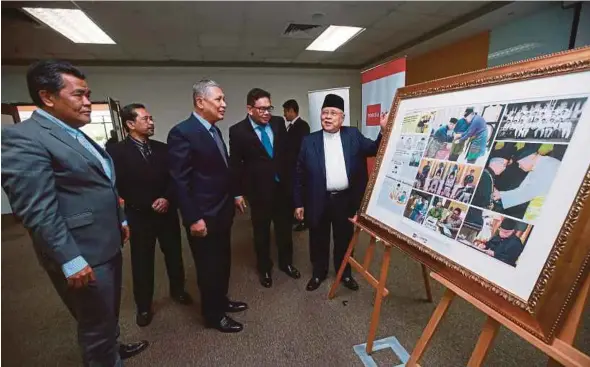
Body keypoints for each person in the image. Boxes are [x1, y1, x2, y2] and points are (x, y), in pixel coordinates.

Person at [1, 60, 147, 366]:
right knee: (96, 326)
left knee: (106, 315)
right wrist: (70, 258)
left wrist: (119, 218)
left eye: (88, 94)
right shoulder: (24, 138)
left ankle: (113, 345)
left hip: (103, 242)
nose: (87, 102)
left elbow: (99, 184)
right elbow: (37, 210)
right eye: (79, 94)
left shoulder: (73, 133)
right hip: (82, 254)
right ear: (47, 97)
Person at [167, 79, 247, 333]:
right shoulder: (182, 132)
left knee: (222, 263)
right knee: (208, 268)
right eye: (219, 100)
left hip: (221, 212)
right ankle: (213, 315)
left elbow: (219, 172)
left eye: (223, 99)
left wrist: (234, 195)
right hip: (203, 216)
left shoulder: (213, 130)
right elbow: (180, 181)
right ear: (200, 102)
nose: (224, 104)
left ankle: (221, 301)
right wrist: (193, 219)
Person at [107, 103, 193, 327]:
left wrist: (167, 198)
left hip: (167, 212)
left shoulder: (163, 148)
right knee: (142, 262)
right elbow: (117, 186)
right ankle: (144, 306)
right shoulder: (116, 152)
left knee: (174, 254)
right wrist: (146, 204)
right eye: (145, 119)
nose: (151, 122)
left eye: (151, 118)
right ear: (130, 124)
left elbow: (176, 178)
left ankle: (178, 290)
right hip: (140, 216)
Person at [294, 94, 387, 291]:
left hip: (345, 200)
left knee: (344, 239)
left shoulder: (352, 135)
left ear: (342, 118)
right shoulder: (309, 141)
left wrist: (383, 130)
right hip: (318, 199)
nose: (327, 117)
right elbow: (299, 174)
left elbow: (375, 148)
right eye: (324, 113)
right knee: (317, 238)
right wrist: (298, 203)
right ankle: (318, 273)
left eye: (333, 113)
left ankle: (344, 273)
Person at [229, 89, 300, 288]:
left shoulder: (278, 123)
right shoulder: (238, 131)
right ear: (249, 109)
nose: (266, 113)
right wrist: (237, 193)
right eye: (261, 109)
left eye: (269, 108)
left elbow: (284, 154)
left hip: (282, 188)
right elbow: (235, 164)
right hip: (258, 191)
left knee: (285, 229)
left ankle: (286, 263)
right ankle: (265, 268)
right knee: (261, 231)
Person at [283, 99, 310, 231]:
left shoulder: (302, 126)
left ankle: (304, 221)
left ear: (292, 111)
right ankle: (295, 217)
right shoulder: (290, 126)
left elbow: (302, 148)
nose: (284, 114)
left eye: (285, 111)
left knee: (300, 193)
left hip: (298, 167)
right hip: (289, 167)